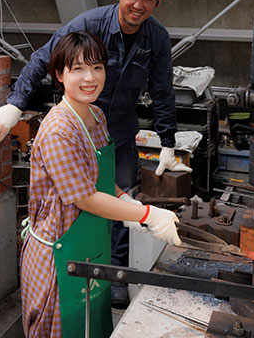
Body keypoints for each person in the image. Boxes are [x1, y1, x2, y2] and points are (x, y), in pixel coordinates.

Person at [0, 0, 190, 306]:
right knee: (85, 201)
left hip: (116, 132)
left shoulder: (156, 37)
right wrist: (14, 104)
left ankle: (113, 274)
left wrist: (168, 143)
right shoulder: (90, 25)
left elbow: (162, 90)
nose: (138, 4)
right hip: (79, 122)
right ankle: (73, 264)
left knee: (120, 201)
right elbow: (44, 59)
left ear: (157, 2)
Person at [19, 31, 181, 338]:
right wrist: (146, 214)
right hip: (58, 255)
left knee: (92, 327)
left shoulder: (95, 115)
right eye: (78, 69)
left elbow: (101, 181)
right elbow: (86, 198)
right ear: (59, 75)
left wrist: (128, 203)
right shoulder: (58, 130)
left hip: (91, 249)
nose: (89, 78)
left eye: (97, 67)